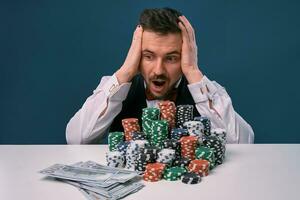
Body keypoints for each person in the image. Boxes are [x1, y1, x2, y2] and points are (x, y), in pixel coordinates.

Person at [66, 8, 254, 144]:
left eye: (171, 58)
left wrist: (193, 72)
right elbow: (76, 138)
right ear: (137, 55)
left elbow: (243, 143)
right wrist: (125, 72)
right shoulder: (115, 87)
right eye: (148, 56)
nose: (158, 70)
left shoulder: (207, 91)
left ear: (185, 57)